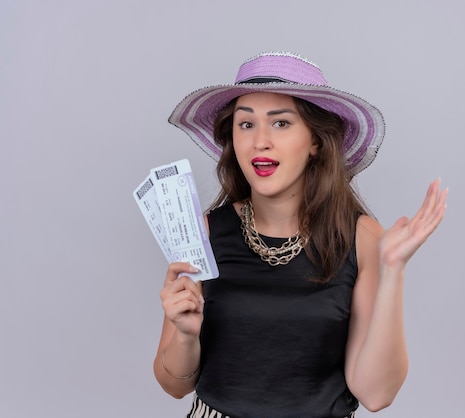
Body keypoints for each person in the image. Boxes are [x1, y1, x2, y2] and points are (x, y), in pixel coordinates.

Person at [153, 51, 448, 417]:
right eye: (246, 124)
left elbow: (376, 395)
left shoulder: (362, 238)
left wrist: (393, 271)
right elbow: (174, 385)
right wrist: (185, 334)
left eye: (281, 124)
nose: (260, 141)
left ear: (316, 142)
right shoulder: (204, 232)